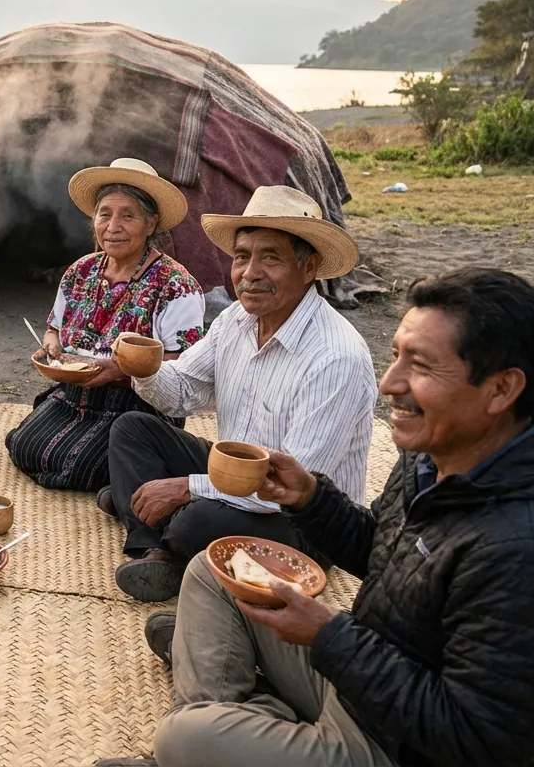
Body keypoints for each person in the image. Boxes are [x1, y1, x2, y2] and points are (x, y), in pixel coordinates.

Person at [100, 268, 534, 767]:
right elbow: (382, 552)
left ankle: (221, 727)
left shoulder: (533, 547)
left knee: (183, 738)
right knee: (214, 573)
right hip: (364, 679)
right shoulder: (432, 457)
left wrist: (330, 637)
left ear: (501, 390)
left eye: (423, 367)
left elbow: (479, 742)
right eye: (395, 358)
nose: (389, 384)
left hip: (398, 745)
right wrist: (311, 500)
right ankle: (235, 722)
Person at [103, 185, 377, 603]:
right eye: (242, 256)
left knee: (196, 519)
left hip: (301, 521)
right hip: (233, 472)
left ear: (309, 268)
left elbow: (290, 488)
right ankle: (155, 546)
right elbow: (181, 393)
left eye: (270, 257)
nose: (249, 273)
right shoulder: (236, 319)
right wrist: (146, 368)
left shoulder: (334, 357)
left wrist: (186, 488)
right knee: (131, 430)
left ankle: (163, 532)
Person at [5, 158, 205, 491]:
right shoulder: (80, 272)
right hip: (74, 396)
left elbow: (185, 364)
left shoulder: (176, 285)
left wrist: (121, 370)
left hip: (136, 409)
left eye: (128, 215)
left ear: (151, 224)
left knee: (78, 465)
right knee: (24, 446)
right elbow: (54, 329)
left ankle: (145, 459)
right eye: (104, 214)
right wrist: (52, 349)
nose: (113, 226)